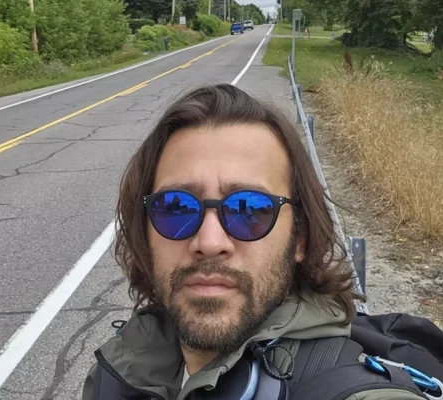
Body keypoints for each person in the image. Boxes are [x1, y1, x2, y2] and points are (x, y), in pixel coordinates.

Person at [81, 84, 429, 400]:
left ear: (299, 238)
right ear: (145, 233)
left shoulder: (349, 389)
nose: (210, 242)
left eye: (249, 210)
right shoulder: (116, 373)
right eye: (175, 208)